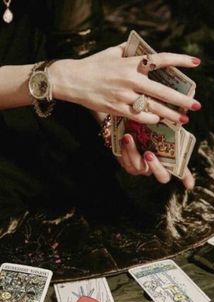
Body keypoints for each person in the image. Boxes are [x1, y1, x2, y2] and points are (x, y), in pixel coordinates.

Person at [0, 0, 201, 223]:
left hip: (59, 89)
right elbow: (66, 76)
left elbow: (75, 41)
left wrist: (115, 117)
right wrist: (57, 78)